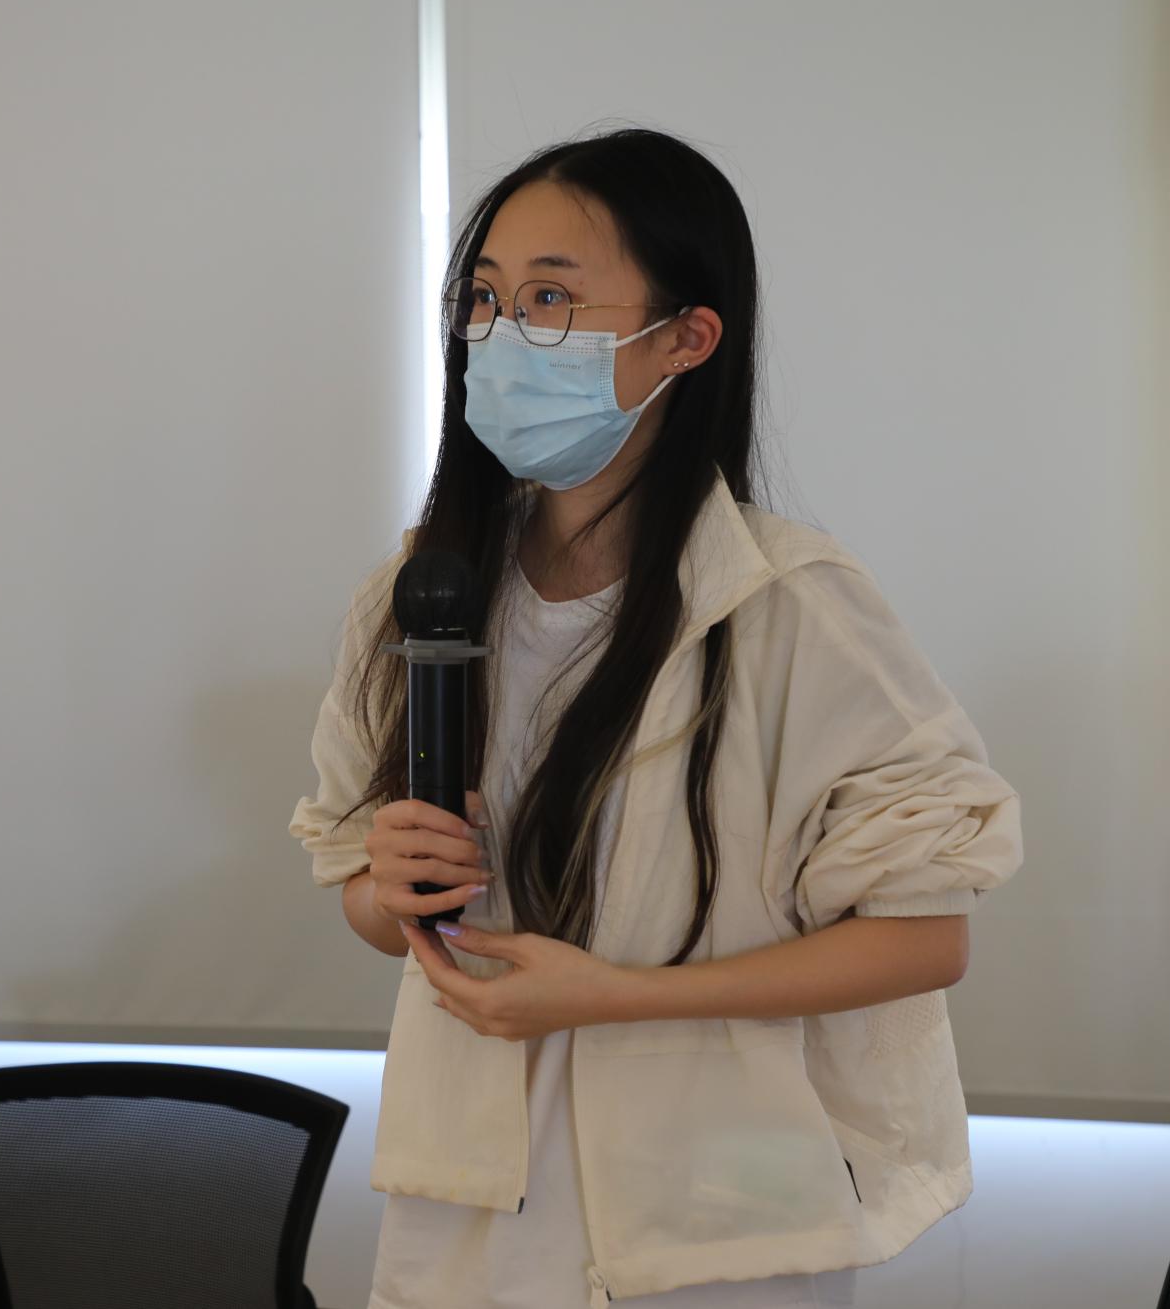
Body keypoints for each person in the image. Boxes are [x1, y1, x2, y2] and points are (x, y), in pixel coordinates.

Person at [288, 127, 1023, 1309]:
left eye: (549, 300)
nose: (501, 335)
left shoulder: (788, 605)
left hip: (710, 1225)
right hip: (468, 1203)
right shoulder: (418, 592)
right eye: (484, 300)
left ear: (684, 338)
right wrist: (393, 883)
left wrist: (614, 998)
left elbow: (923, 938)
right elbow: (370, 906)